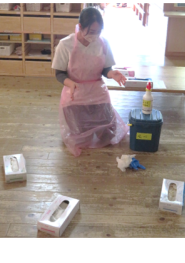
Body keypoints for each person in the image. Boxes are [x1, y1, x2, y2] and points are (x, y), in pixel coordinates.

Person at [52, 6, 128, 156]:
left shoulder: (103, 43)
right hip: (75, 92)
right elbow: (59, 73)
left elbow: (105, 69)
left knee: (108, 134)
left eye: (99, 31)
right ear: (80, 27)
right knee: (80, 137)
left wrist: (112, 74)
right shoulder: (65, 44)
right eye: (92, 31)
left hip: (97, 91)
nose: (95, 35)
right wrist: (70, 83)